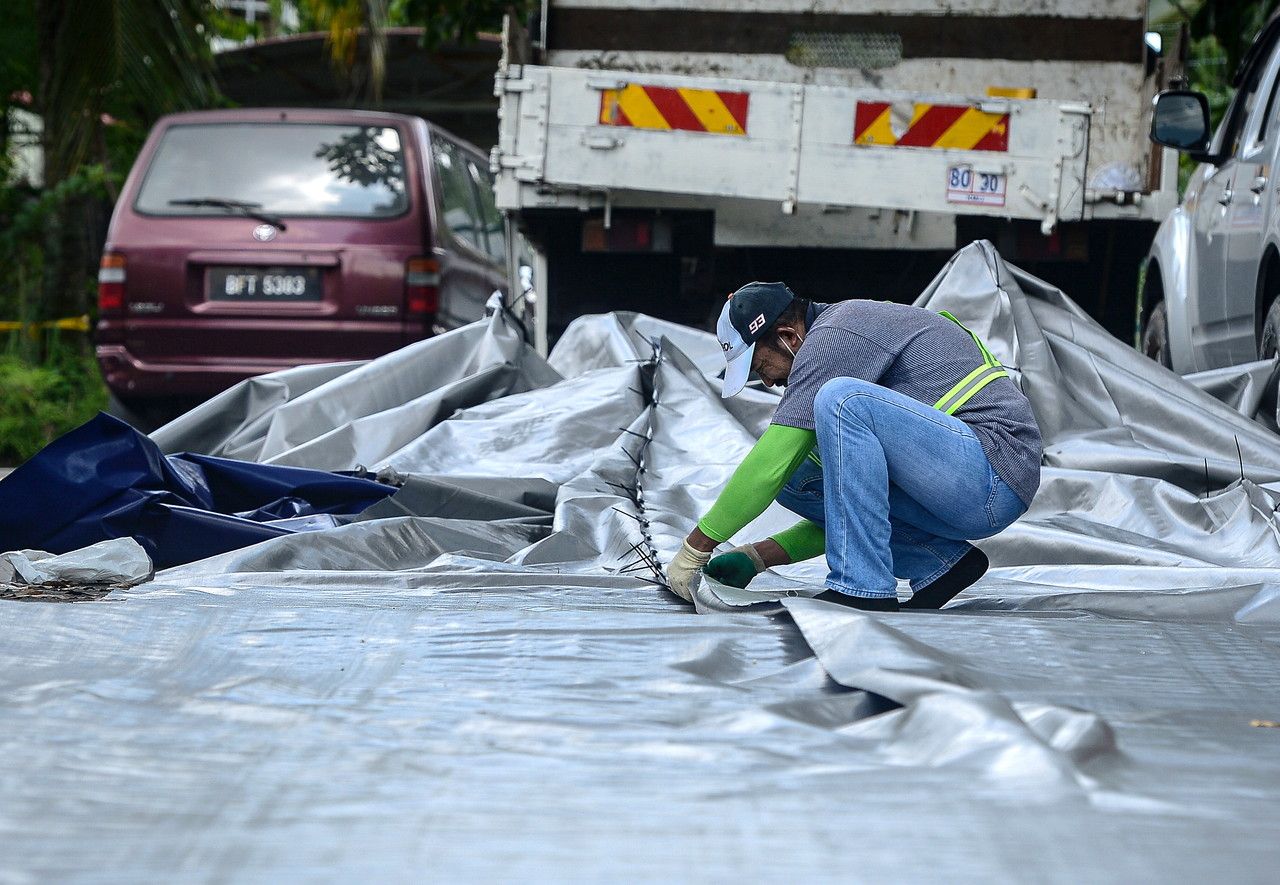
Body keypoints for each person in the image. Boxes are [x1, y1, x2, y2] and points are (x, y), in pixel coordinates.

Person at [666, 281, 1042, 611]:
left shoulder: (834, 335)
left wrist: (695, 549)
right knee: (799, 474)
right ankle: (938, 564)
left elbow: (769, 464)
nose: (767, 382)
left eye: (761, 366)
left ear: (789, 337)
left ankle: (863, 588)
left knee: (840, 400)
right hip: (962, 481)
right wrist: (756, 557)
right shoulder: (834, 333)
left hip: (994, 471)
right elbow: (855, 506)